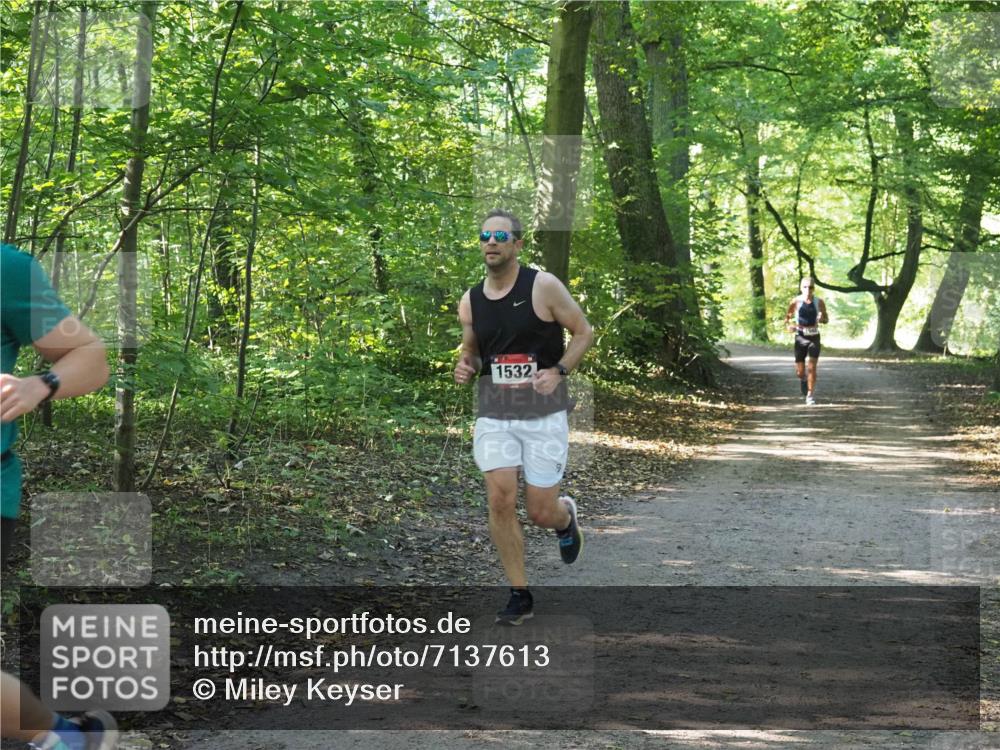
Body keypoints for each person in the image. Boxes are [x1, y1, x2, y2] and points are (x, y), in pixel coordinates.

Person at [1, 243, 116, 749]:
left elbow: (91, 358)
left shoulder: (7, 270)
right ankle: (66, 739)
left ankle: (63, 739)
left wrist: (40, 385)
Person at [453, 209, 593, 625]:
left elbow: (583, 332)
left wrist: (559, 371)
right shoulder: (471, 300)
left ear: (517, 244)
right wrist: (466, 365)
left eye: (500, 236)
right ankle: (520, 594)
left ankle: (564, 519)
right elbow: (472, 351)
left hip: (543, 415)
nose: (490, 242)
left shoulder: (542, 285)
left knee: (540, 512)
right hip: (495, 413)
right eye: (485, 236)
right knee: (500, 498)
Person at [784, 276, 828, 406]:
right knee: (800, 372)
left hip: (814, 337)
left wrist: (822, 319)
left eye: (810, 287)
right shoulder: (795, 301)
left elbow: (826, 319)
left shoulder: (819, 302)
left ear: (814, 289)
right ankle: (803, 379)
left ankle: (810, 395)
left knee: (812, 367)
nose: (808, 290)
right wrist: (789, 327)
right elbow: (787, 319)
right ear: (801, 288)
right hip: (800, 337)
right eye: (805, 287)